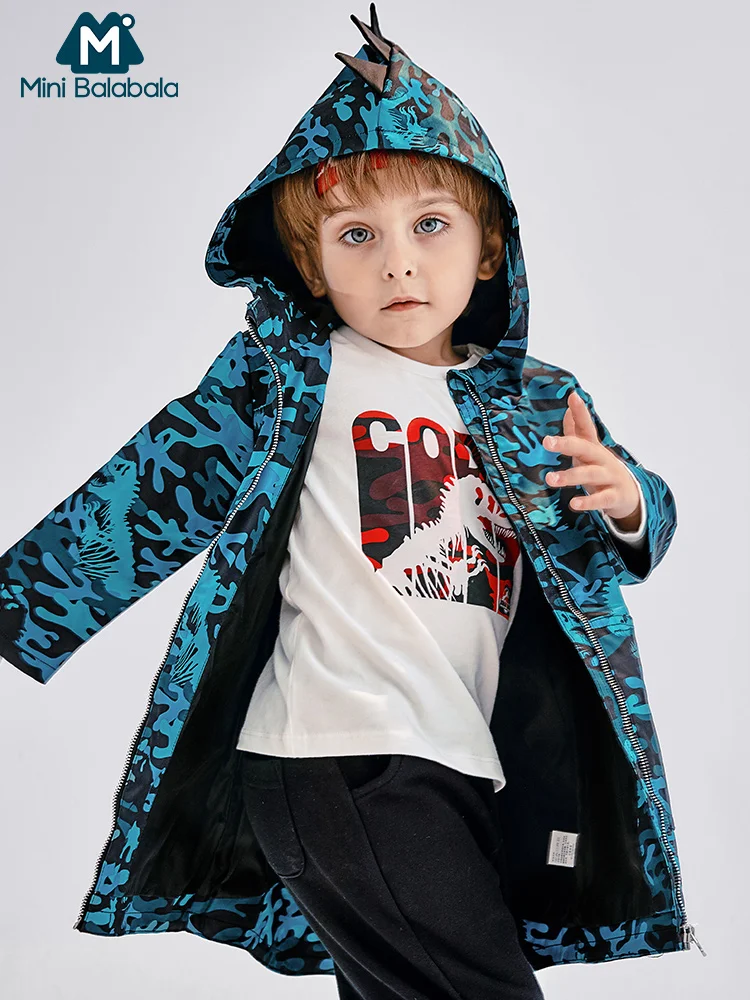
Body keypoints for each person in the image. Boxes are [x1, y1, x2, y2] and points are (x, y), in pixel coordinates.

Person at [0, 4, 701, 998]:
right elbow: (150, 485)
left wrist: (628, 501)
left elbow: (636, 529)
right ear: (313, 267)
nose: (397, 261)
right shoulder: (292, 376)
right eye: (357, 235)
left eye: (430, 225)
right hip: (340, 751)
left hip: (466, 756)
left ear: (489, 248)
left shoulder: (538, 401)